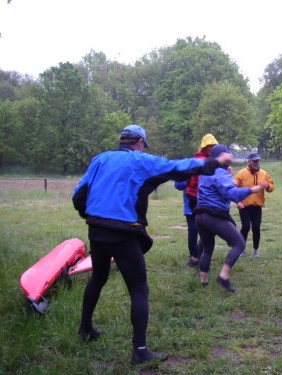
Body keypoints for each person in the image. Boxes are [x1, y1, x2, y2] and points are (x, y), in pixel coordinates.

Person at [72, 125, 232, 364]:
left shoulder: (100, 159)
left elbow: (78, 194)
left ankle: (85, 330)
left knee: (98, 277)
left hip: (96, 230)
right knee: (138, 290)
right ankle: (140, 351)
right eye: (141, 145)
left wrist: (91, 216)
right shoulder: (139, 160)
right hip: (123, 231)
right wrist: (214, 163)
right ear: (138, 142)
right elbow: (175, 167)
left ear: (121, 141)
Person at [194, 144, 263, 292]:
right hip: (213, 215)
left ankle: (203, 281)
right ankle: (223, 276)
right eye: (227, 155)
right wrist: (252, 189)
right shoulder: (220, 172)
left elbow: (216, 189)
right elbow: (231, 194)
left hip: (199, 215)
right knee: (239, 243)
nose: (230, 158)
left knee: (207, 247)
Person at [182, 133, 219, 267]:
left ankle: (196, 256)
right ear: (204, 147)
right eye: (209, 146)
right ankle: (198, 257)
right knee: (206, 229)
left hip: (193, 197)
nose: (211, 148)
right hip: (200, 199)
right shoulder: (205, 162)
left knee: (201, 228)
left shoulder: (196, 160)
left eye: (213, 146)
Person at [234, 151, 275, 258]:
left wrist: (267, 186)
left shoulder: (263, 173)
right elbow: (233, 189)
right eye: (254, 161)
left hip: (257, 206)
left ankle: (255, 251)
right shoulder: (241, 173)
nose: (257, 162)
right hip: (244, 206)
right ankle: (241, 250)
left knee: (256, 228)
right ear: (249, 161)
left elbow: (271, 187)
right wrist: (238, 202)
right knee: (246, 227)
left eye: (258, 160)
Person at [174, 180, 202, 268]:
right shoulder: (186, 168)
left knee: (206, 233)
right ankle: (193, 255)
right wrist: (192, 179)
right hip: (190, 208)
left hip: (206, 205)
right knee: (193, 231)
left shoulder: (206, 168)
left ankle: (201, 254)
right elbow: (178, 185)